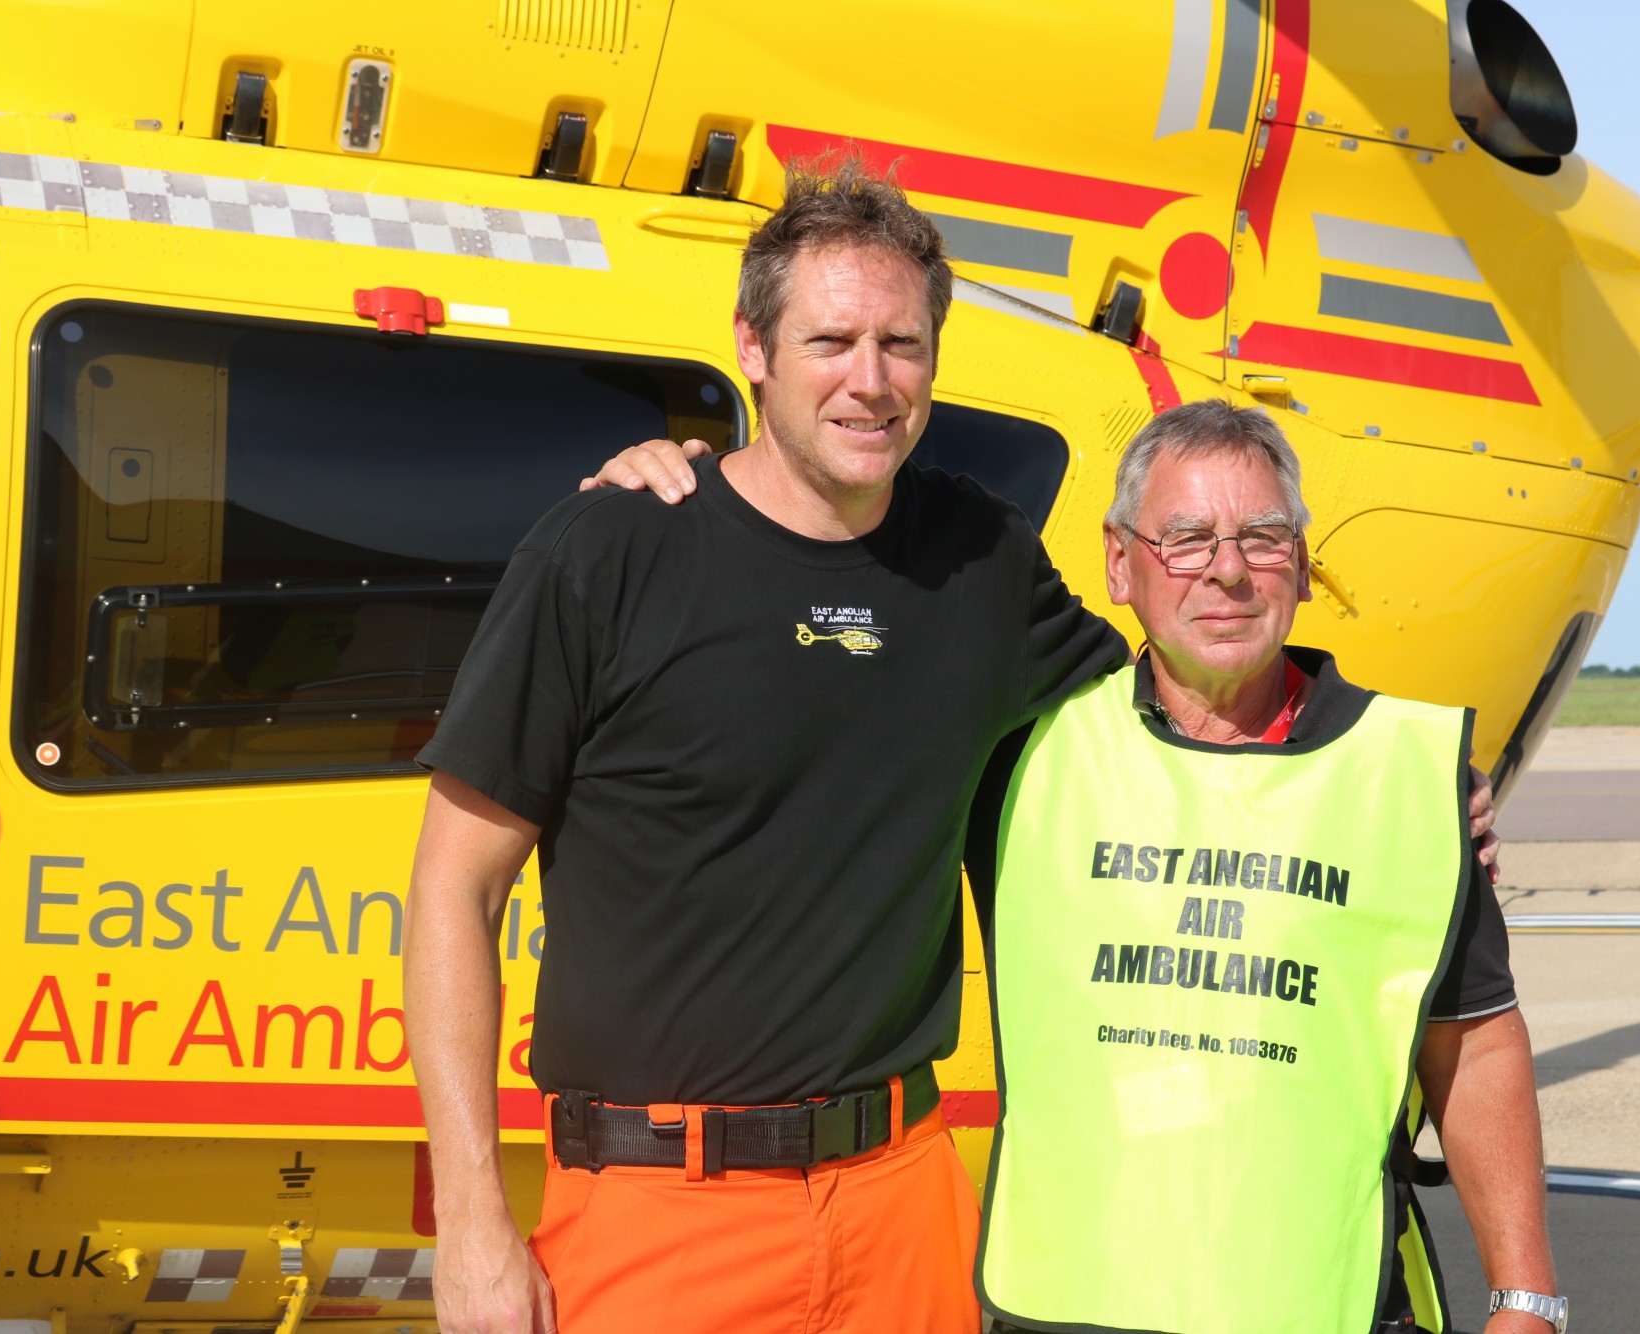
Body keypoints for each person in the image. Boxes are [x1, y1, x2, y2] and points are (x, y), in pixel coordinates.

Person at [402, 156, 1129, 1334]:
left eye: (902, 346)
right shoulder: (606, 553)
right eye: (830, 342)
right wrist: (474, 1222)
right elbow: (453, 886)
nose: (870, 381)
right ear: (751, 347)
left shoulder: (980, 559)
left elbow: (1177, 727)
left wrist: (1401, 784)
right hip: (655, 1207)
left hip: (899, 1195)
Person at [965, 402, 1560, 1334]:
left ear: (1306, 568)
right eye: (1188, 538)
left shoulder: (1405, 773)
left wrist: (1526, 1297)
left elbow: (1475, 1042)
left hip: (1326, 1304)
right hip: (1068, 1305)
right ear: (1121, 563)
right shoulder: (1018, 755)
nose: (1229, 570)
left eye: (1264, 537)